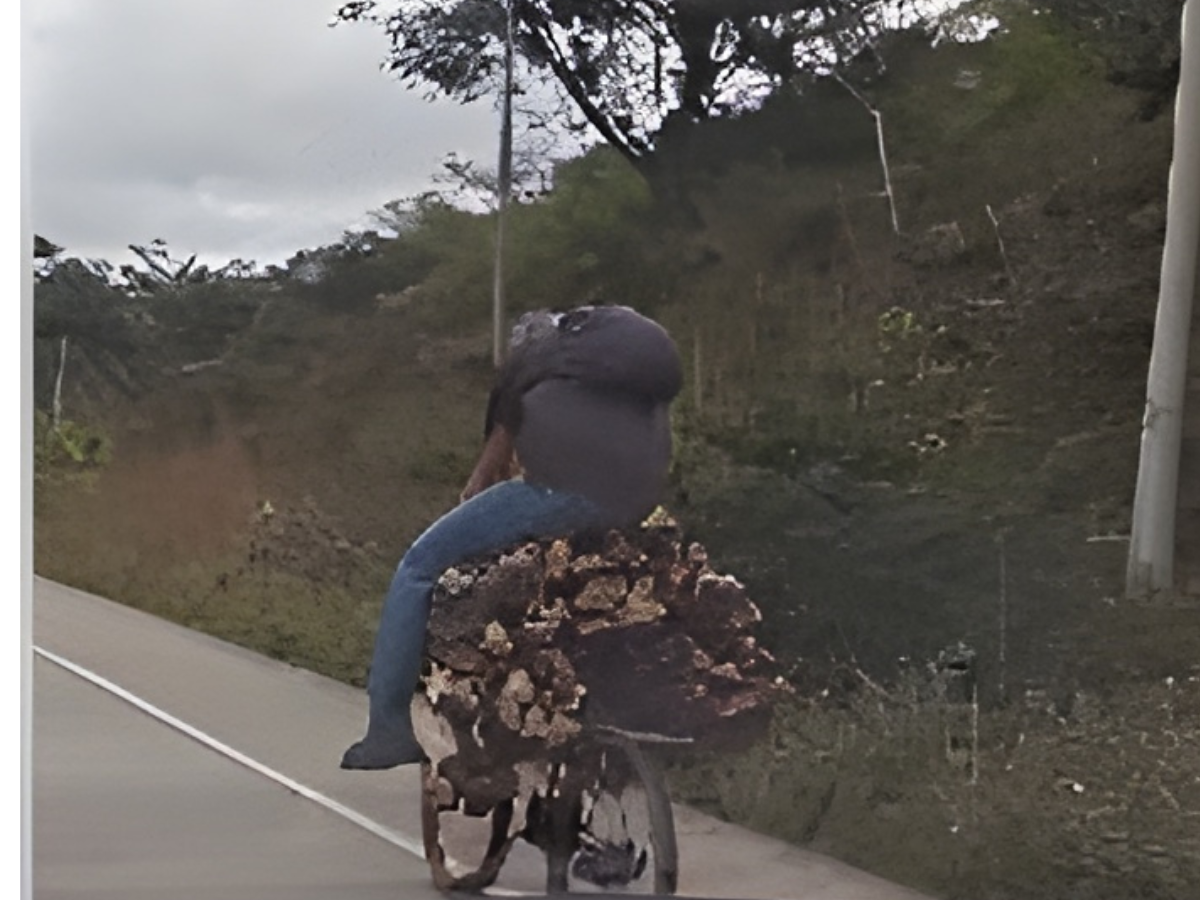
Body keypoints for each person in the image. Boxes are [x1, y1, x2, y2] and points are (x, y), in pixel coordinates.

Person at [341, 304, 683, 769]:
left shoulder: (528, 368)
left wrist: (475, 499)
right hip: (636, 501)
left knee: (418, 566)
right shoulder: (618, 372)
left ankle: (388, 729)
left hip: (562, 494)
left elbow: (484, 477)